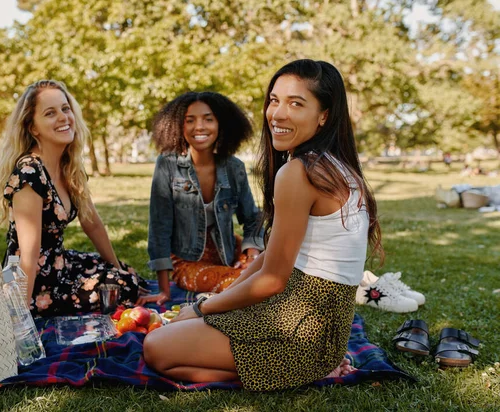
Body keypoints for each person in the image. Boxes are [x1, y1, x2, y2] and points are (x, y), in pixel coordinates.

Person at [143, 59, 384, 391]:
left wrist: (200, 308)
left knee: (155, 348)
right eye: (274, 100)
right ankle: (300, 370)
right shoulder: (334, 165)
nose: (278, 114)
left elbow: (271, 280)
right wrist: (217, 301)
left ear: (324, 115)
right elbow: (268, 258)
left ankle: (300, 371)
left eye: (296, 103)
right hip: (322, 328)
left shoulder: (300, 172)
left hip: (300, 328)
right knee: (169, 343)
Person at [0, 80, 144, 316]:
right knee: (121, 286)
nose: (64, 117)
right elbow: (28, 256)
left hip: (60, 264)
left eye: (65, 109)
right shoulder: (29, 174)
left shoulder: (69, 166)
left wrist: (116, 267)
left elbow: (92, 223)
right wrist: (17, 320)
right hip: (33, 283)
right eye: (50, 113)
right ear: (33, 127)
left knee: (126, 274)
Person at [141, 91, 264, 305]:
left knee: (275, 271)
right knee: (245, 284)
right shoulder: (167, 164)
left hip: (230, 252)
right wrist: (164, 290)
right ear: (179, 126)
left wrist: (251, 258)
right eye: (190, 120)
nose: (199, 127)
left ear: (221, 125)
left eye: (208, 119)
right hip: (187, 262)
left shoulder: (234, 167)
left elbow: (252, 219)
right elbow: (159, 227)